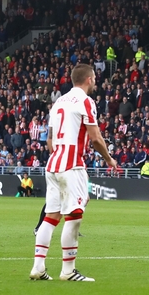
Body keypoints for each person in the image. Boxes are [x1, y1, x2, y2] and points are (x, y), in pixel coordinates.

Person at [30, 64, 117, 282]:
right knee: (75, 215)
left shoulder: (58, 101)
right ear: (89, 79)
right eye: (95, 78)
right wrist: (109, 159)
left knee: (50, 217)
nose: (95, 81)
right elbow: (95, 138)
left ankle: (38, 268)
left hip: (53, 163)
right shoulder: (86, 102)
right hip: (71, 164)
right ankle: (68, 271)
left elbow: (49, 140)